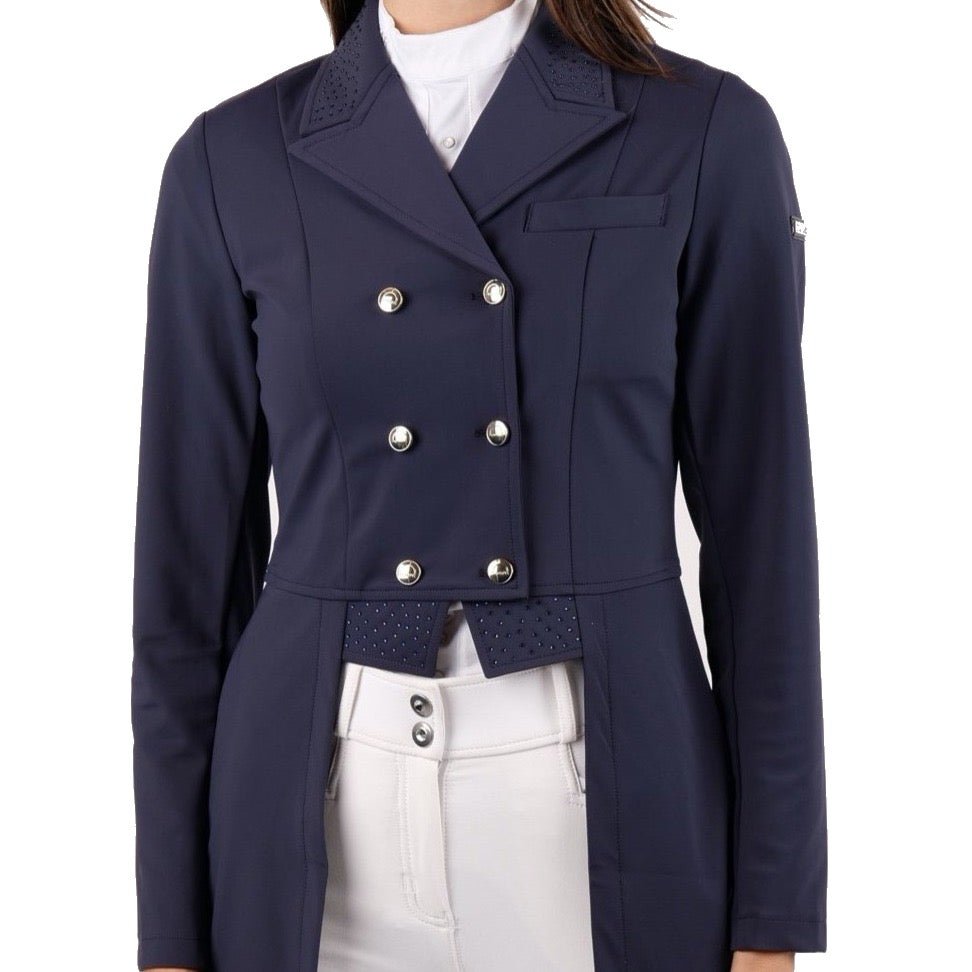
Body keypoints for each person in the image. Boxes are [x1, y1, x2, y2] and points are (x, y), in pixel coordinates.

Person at [131, 0, 827, 968]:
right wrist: (169, 937)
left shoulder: (704, 131)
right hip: (305, 823)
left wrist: (772, 917)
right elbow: (185, 594)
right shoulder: (230, 159)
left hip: (600, 813)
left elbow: (764, 553)